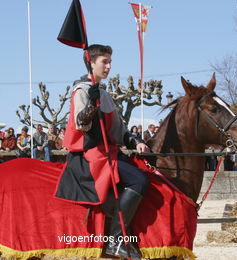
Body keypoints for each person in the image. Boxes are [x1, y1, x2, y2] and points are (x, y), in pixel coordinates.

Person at [54, 44, 150, 258]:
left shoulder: (104, 94)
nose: (108, 66)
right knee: (139, 182)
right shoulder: (81, 90)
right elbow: (81, 124)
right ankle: (115, 241)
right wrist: (90, 106)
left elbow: (118, 129)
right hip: (89, 155)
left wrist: (135, 142)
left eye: (110, 62)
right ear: (91, 62)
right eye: (104, 62)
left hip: (108, 152)